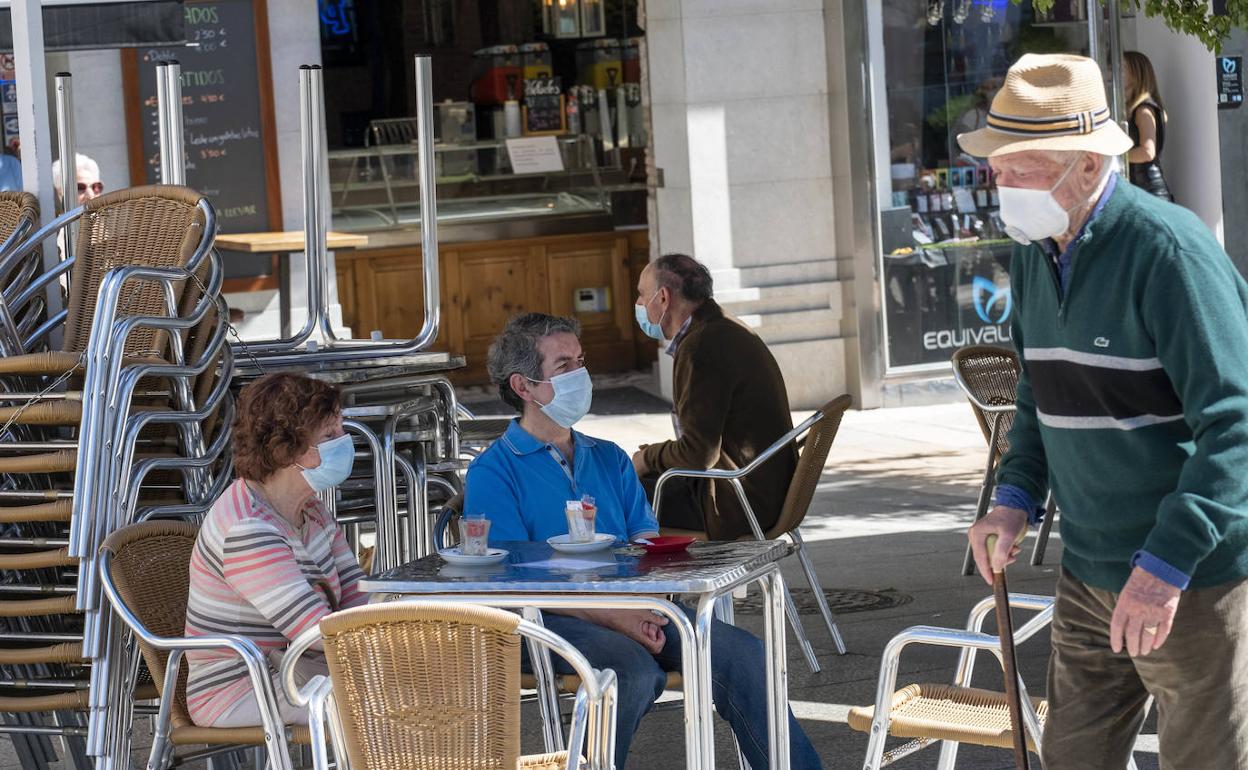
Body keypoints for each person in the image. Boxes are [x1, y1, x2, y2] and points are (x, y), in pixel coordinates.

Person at [958, 53, 1248, 769]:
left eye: (1018, 165)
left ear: (1087, 166)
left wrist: (1166, 567)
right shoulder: (1035, 250)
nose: (1000, 180)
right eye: (996, 163)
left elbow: (1237, 425)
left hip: (1191, 580)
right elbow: (1036, 398)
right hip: (1088, 572)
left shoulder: (1169, 253)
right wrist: (1013, 499)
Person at [464, 312, 823, 770]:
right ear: (524, 386)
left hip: (634, 605)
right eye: (563, 365)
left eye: (581, 360)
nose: (581, 374)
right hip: (545, 618)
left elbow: (646, 540)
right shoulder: (494, 470)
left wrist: (651, 604)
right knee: (629, 671)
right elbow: (515, 580)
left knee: (741, 652)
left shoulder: (609, 457)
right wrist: (616, 615)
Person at [185, 373, 367, 727]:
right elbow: (314, 631)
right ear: (287, 451)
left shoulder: (309, 508)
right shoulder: (248, 526)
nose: (344, 442)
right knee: (383, 706)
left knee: (413, 684)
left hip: (294, 666)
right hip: (240, 687)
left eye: (341, 430)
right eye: (329, 436)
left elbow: (354, 593)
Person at [630, 254, 797, 540]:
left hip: (738, 501)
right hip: (761, 491)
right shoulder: (723, 327)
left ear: (664, 298)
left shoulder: (702, 346)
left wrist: (647, 457)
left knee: (612, 493)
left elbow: (698, 455)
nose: (639, 305)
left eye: (642, 295)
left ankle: (627, 583)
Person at [1123, 51, 1173, 201]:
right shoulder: (1139, 108)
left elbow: (1147, 152)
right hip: (1146, 190)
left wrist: (1116, 157)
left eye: (1123, 67)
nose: (1117, 71)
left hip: (1150, 191)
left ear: (1136, 72)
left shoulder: (1143, 110)